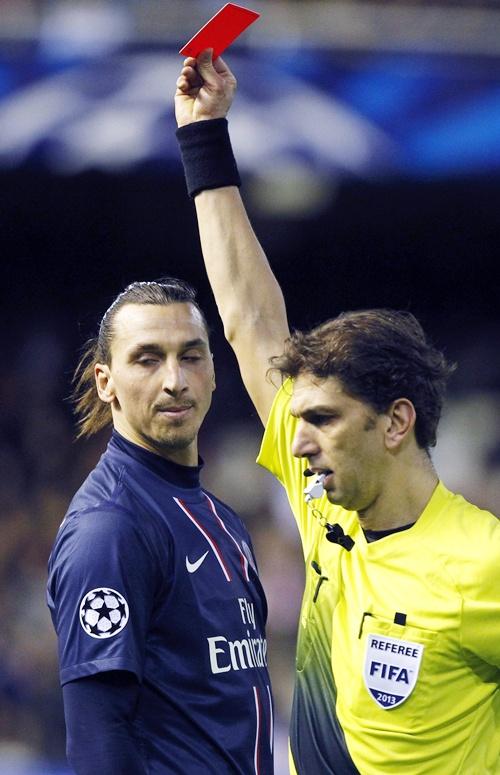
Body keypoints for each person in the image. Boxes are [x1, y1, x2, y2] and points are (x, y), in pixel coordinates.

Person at [174, 51, 500, 774]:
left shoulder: (484, 565)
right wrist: (203, 137)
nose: (298, 437)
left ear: (394, 422)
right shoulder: (326, 510)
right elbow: (249, 319)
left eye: (322, 419)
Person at [47, 278, 274, 774]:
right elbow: (97, 739)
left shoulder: (223, 519)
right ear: (105, 381)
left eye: (191, 356)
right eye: (147, 359)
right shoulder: (109, 530)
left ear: (214, 371)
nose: (174, 380)